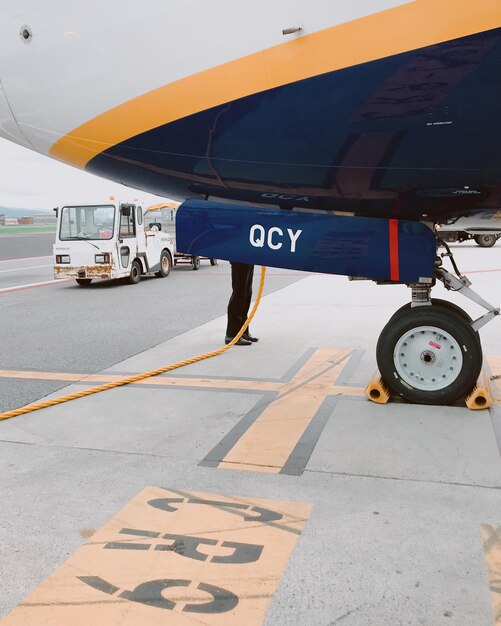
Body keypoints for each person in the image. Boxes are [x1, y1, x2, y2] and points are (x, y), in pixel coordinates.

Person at [225, 262, 259, 346]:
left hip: (248, 258)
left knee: (246, 294)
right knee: (239, 294)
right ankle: (232, 334)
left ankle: (243, 331)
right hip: (239, 258)